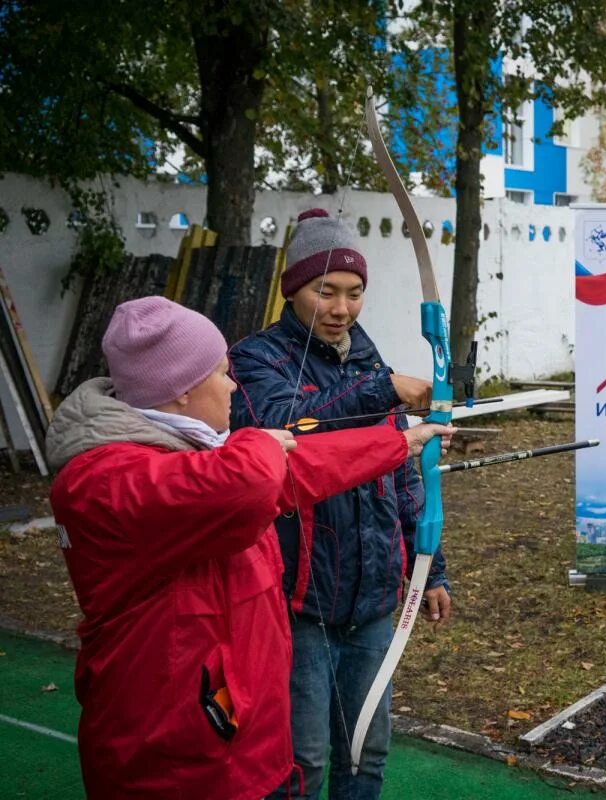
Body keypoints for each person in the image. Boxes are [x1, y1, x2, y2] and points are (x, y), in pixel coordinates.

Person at [45, 296, 452, 800]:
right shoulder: (103, 479)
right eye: (220, 373)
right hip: (175, 755)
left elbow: (291, 472)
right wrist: (256, 441)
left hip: (235, 735)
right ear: (180, 393)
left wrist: (399, 444)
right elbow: (250, 481)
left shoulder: (191, 455)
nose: (234, 385)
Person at [228, 208, 453, 799]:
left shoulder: (366, 356)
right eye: (324, 291)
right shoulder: (255, 360)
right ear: (293, 289)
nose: (341, 308)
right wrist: (385, 389)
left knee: (365, 753)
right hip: (300, 602)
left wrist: (432, 564)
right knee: (300, 761)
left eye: (354, 293)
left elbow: (402, 472)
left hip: (374, 598)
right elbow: (290, 426)